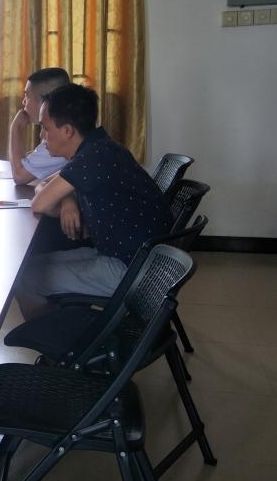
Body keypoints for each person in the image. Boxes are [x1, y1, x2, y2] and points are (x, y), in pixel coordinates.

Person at [14, 84, 171, 320]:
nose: (41, 136)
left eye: (45, 128)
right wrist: (68, 200)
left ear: (67, 130)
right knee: (26, 265)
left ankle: (54, 335)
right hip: (135, 260)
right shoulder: (101, 147)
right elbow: (43, 185)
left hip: (131, 271)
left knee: (24, 278)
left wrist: (62, 196)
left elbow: (39, 203)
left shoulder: (92, 157)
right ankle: (64, 324)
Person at [9, 67, 71, 185]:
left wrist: (15, 128)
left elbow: (19, 176)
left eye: (27, 96)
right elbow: (27, 161)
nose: (23, 102)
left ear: (45, 102)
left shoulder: (61, 137)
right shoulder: (61, 127)